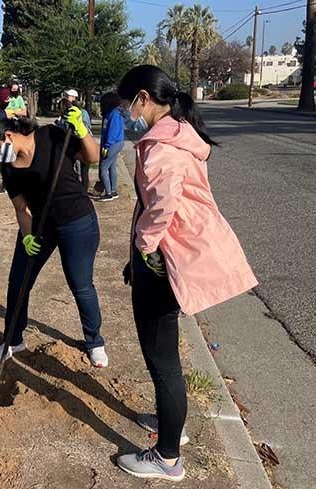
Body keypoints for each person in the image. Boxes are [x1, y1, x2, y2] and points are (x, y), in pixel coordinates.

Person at [114, 65, 258, 481]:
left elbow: (162, 207)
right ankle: (169, 423)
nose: (126, 113)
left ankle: (167, 457)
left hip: (164, 261)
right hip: (169, 256)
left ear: (143, 98)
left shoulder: (162, 149)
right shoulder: (177, 133)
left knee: (163, 361)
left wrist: (142, 249)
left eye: (127, 104)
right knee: (166, 356)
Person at [0, 109, 109, 368]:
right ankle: (13, 339)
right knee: (18, 281)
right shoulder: (9, 166)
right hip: (39, 225)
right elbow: (20, 207)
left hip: (77, 221)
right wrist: (27, 237)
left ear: (10, 135)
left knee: (80, 284)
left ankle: (95, 342)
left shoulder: (50, 136)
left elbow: (90, 158)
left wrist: (81, 130)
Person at [56, 88, 94, 192]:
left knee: (83, 170)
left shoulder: (82, 112)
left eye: (68, 96)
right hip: (72, 144)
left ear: (73, 98)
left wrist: (78, 127)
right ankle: (76, 189)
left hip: (82, 144)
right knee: (74, 169)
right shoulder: (66, 111)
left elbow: (87, 128)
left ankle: (83, 191)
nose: (66, 98)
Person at [97, 92, 125, 202]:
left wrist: (107, 146)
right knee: (112, 166)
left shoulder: (114, 114)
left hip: (112, 144)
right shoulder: (117, 113)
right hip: (118, 143)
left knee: (103, 168)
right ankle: (113, 190)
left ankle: (108, 193)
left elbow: (112, 132)